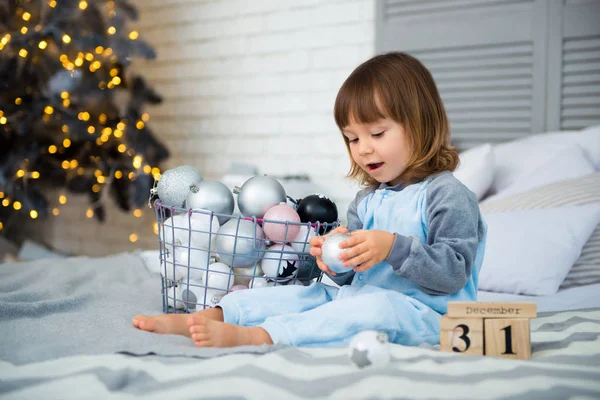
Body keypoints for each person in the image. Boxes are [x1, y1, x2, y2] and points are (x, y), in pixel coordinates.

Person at [132, 52, 487, 348]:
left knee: (375, 308)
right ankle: (212, 315)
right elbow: (350, 281)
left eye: (377, 133)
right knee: (307, 295)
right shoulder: (367, 200)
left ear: (421, 124)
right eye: (352, 138)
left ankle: (259, 336)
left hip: (428, 316)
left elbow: (453, 272)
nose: (363, 149)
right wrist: (337, 260)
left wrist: (393, 247)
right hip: (362, 299)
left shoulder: (448, 195)